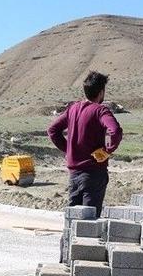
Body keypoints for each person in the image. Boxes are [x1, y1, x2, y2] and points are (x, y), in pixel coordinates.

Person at [47, 71, 123, 217]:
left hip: (74, 175)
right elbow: (115, 131)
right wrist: (108, 150)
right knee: (88, 224)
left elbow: (52, 130)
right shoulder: (101, 110)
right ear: (101, 92)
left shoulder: (73, 109)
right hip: (94, 174)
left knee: (72, 221)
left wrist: (69, 150)